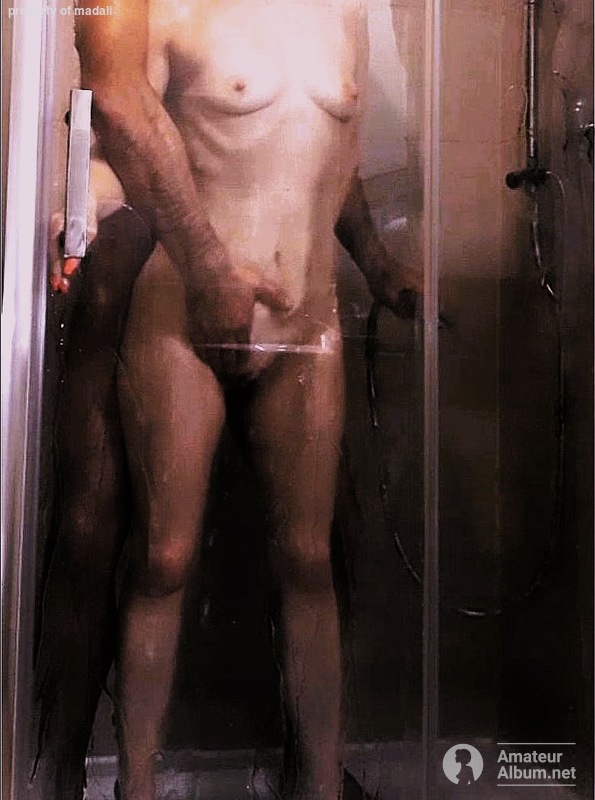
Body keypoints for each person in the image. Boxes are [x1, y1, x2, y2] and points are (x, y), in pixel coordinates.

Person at [33, 0, 421, 797]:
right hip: (181, 310)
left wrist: (379, 265)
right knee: (163, 558)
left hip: (305, 316)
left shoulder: (346, 14)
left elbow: (335, 160)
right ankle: (135, 785)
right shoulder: (172, 8)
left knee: (308, 560)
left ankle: (317, 783)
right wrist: (87, 208)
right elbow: (116, 136)